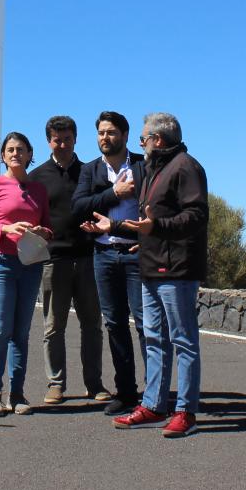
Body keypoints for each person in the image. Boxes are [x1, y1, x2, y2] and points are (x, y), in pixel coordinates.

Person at [93, 113, 207, 439]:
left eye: (143, 139)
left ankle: (186, 411)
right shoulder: (156, 169)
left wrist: (155, 228)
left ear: (157, 140)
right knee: (155, 339)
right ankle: (154, 405)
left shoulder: (186, 167)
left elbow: (196, 216)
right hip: (150, 266)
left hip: (177, 271)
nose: (141, 144)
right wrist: (115, 228)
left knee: (183, 341)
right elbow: (147, 223)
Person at [0, 131, 53, 418]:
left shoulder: (39, 190)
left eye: (21, 149)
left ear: (30, 154)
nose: (15, 153)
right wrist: (4, 229)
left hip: (30, 263)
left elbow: (48, 226)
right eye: (10, 149)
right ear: (3, 155)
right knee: (1, 329)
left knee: (21, 332)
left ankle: (17, 394)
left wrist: (43, 232)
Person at [28, 115, 108, 405]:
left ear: (75, 139)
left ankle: (94, 383)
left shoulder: (90, 173)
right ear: (48, 141)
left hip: (88, 258)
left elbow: (101, 207)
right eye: (56, 139)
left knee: (92, 325)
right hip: (53, 261)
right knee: (53, 327)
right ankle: (56, 384)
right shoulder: (37, 177)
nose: (61, 144)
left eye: (67, 139)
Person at [74, 111, 147, 416]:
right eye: (101, 132)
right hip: (103, 255)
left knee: (146, 325)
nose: (105, 137)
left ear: (126, 136)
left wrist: (151, 238)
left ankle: (155, 392)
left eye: (112, 132)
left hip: (136, 254)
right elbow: (78, 207)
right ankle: (127, 392)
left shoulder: (143, 165)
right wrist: (112, 194)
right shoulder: (91, 170)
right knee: (115, 324)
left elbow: (158, 204)